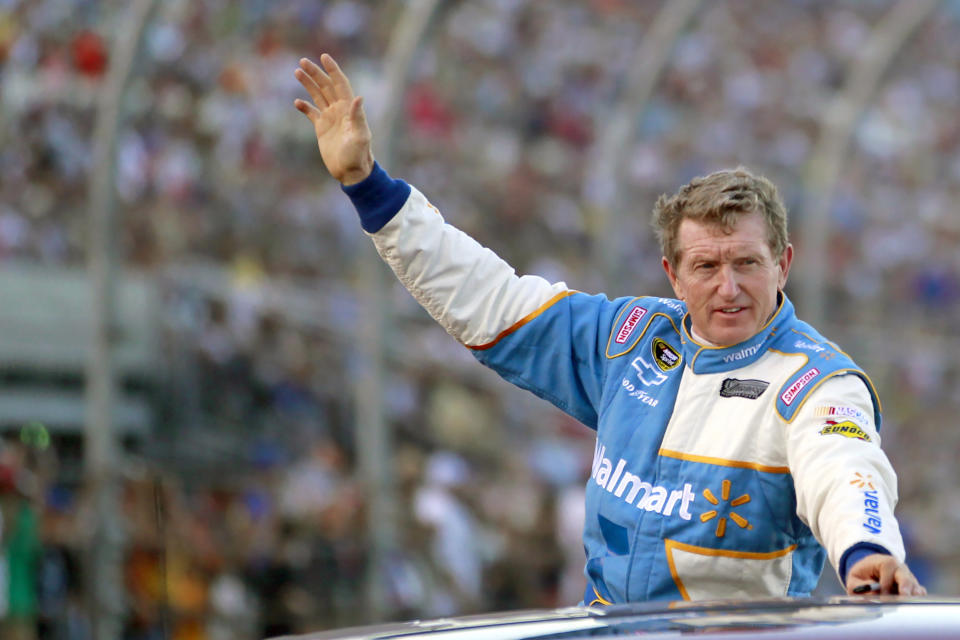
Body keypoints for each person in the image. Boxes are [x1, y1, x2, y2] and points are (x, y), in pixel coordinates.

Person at [292, 54, 926, 603]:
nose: (728, 287)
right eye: (706, 266)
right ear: (672, 276)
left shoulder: (818, 382)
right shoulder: (628, 338)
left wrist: (866, 552)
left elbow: (846, 471)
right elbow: (489, 299)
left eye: (747, 264)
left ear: (783, 265)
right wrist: (368, 187)